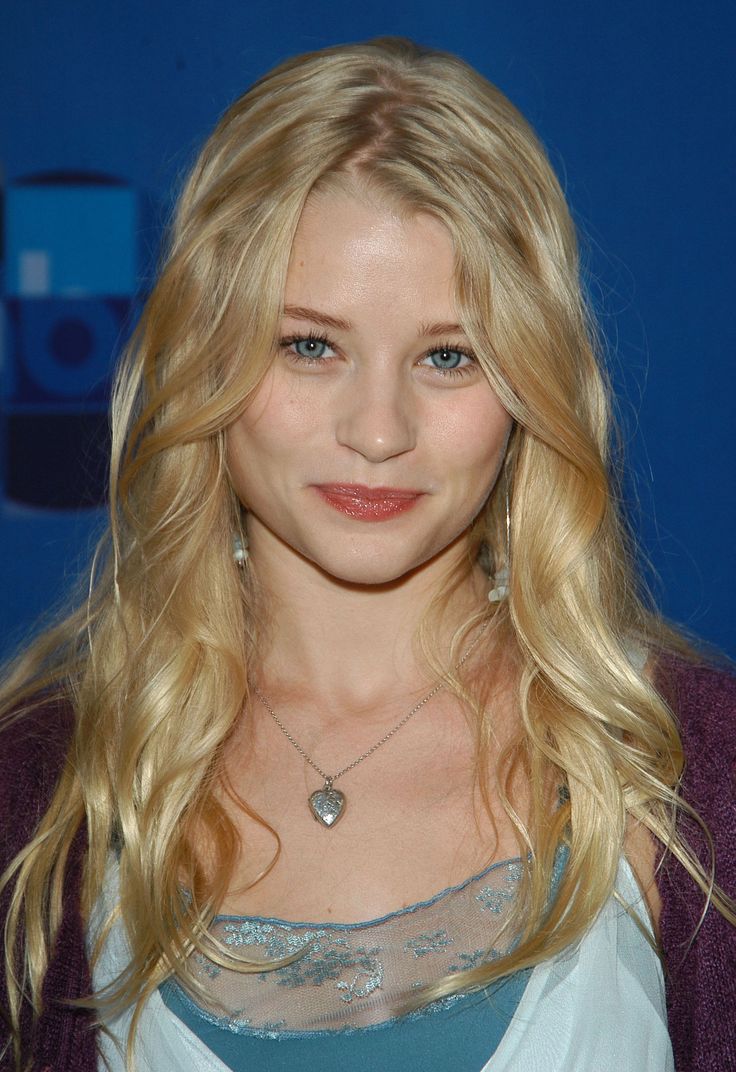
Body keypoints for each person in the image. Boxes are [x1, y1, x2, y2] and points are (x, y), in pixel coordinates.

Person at [1, 36, 734, 1072]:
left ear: (530, 384)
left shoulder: (689, 772)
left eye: (448, 355)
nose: (378, 430)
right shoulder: (41, 797)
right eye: (309, 344)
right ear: (205, 351)